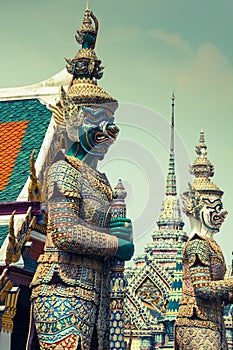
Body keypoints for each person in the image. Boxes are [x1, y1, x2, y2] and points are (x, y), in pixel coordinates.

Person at [29, 6, 134, 350]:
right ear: (73, 122)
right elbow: (64, 231)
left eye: (111, 122)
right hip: (63, 288)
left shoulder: (101, 183)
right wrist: (117, 243)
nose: (109, 131)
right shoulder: (62, 170)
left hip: (97, 292)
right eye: (98, 119)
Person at [175, 131, 233, 350]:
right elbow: (202, 289)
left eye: (221, 208)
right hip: (196, 322)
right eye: (213, 208)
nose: (221, 214)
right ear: (196, 209)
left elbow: (217, 292)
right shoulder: (198, 243)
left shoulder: (212, 245)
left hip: (211, 322)